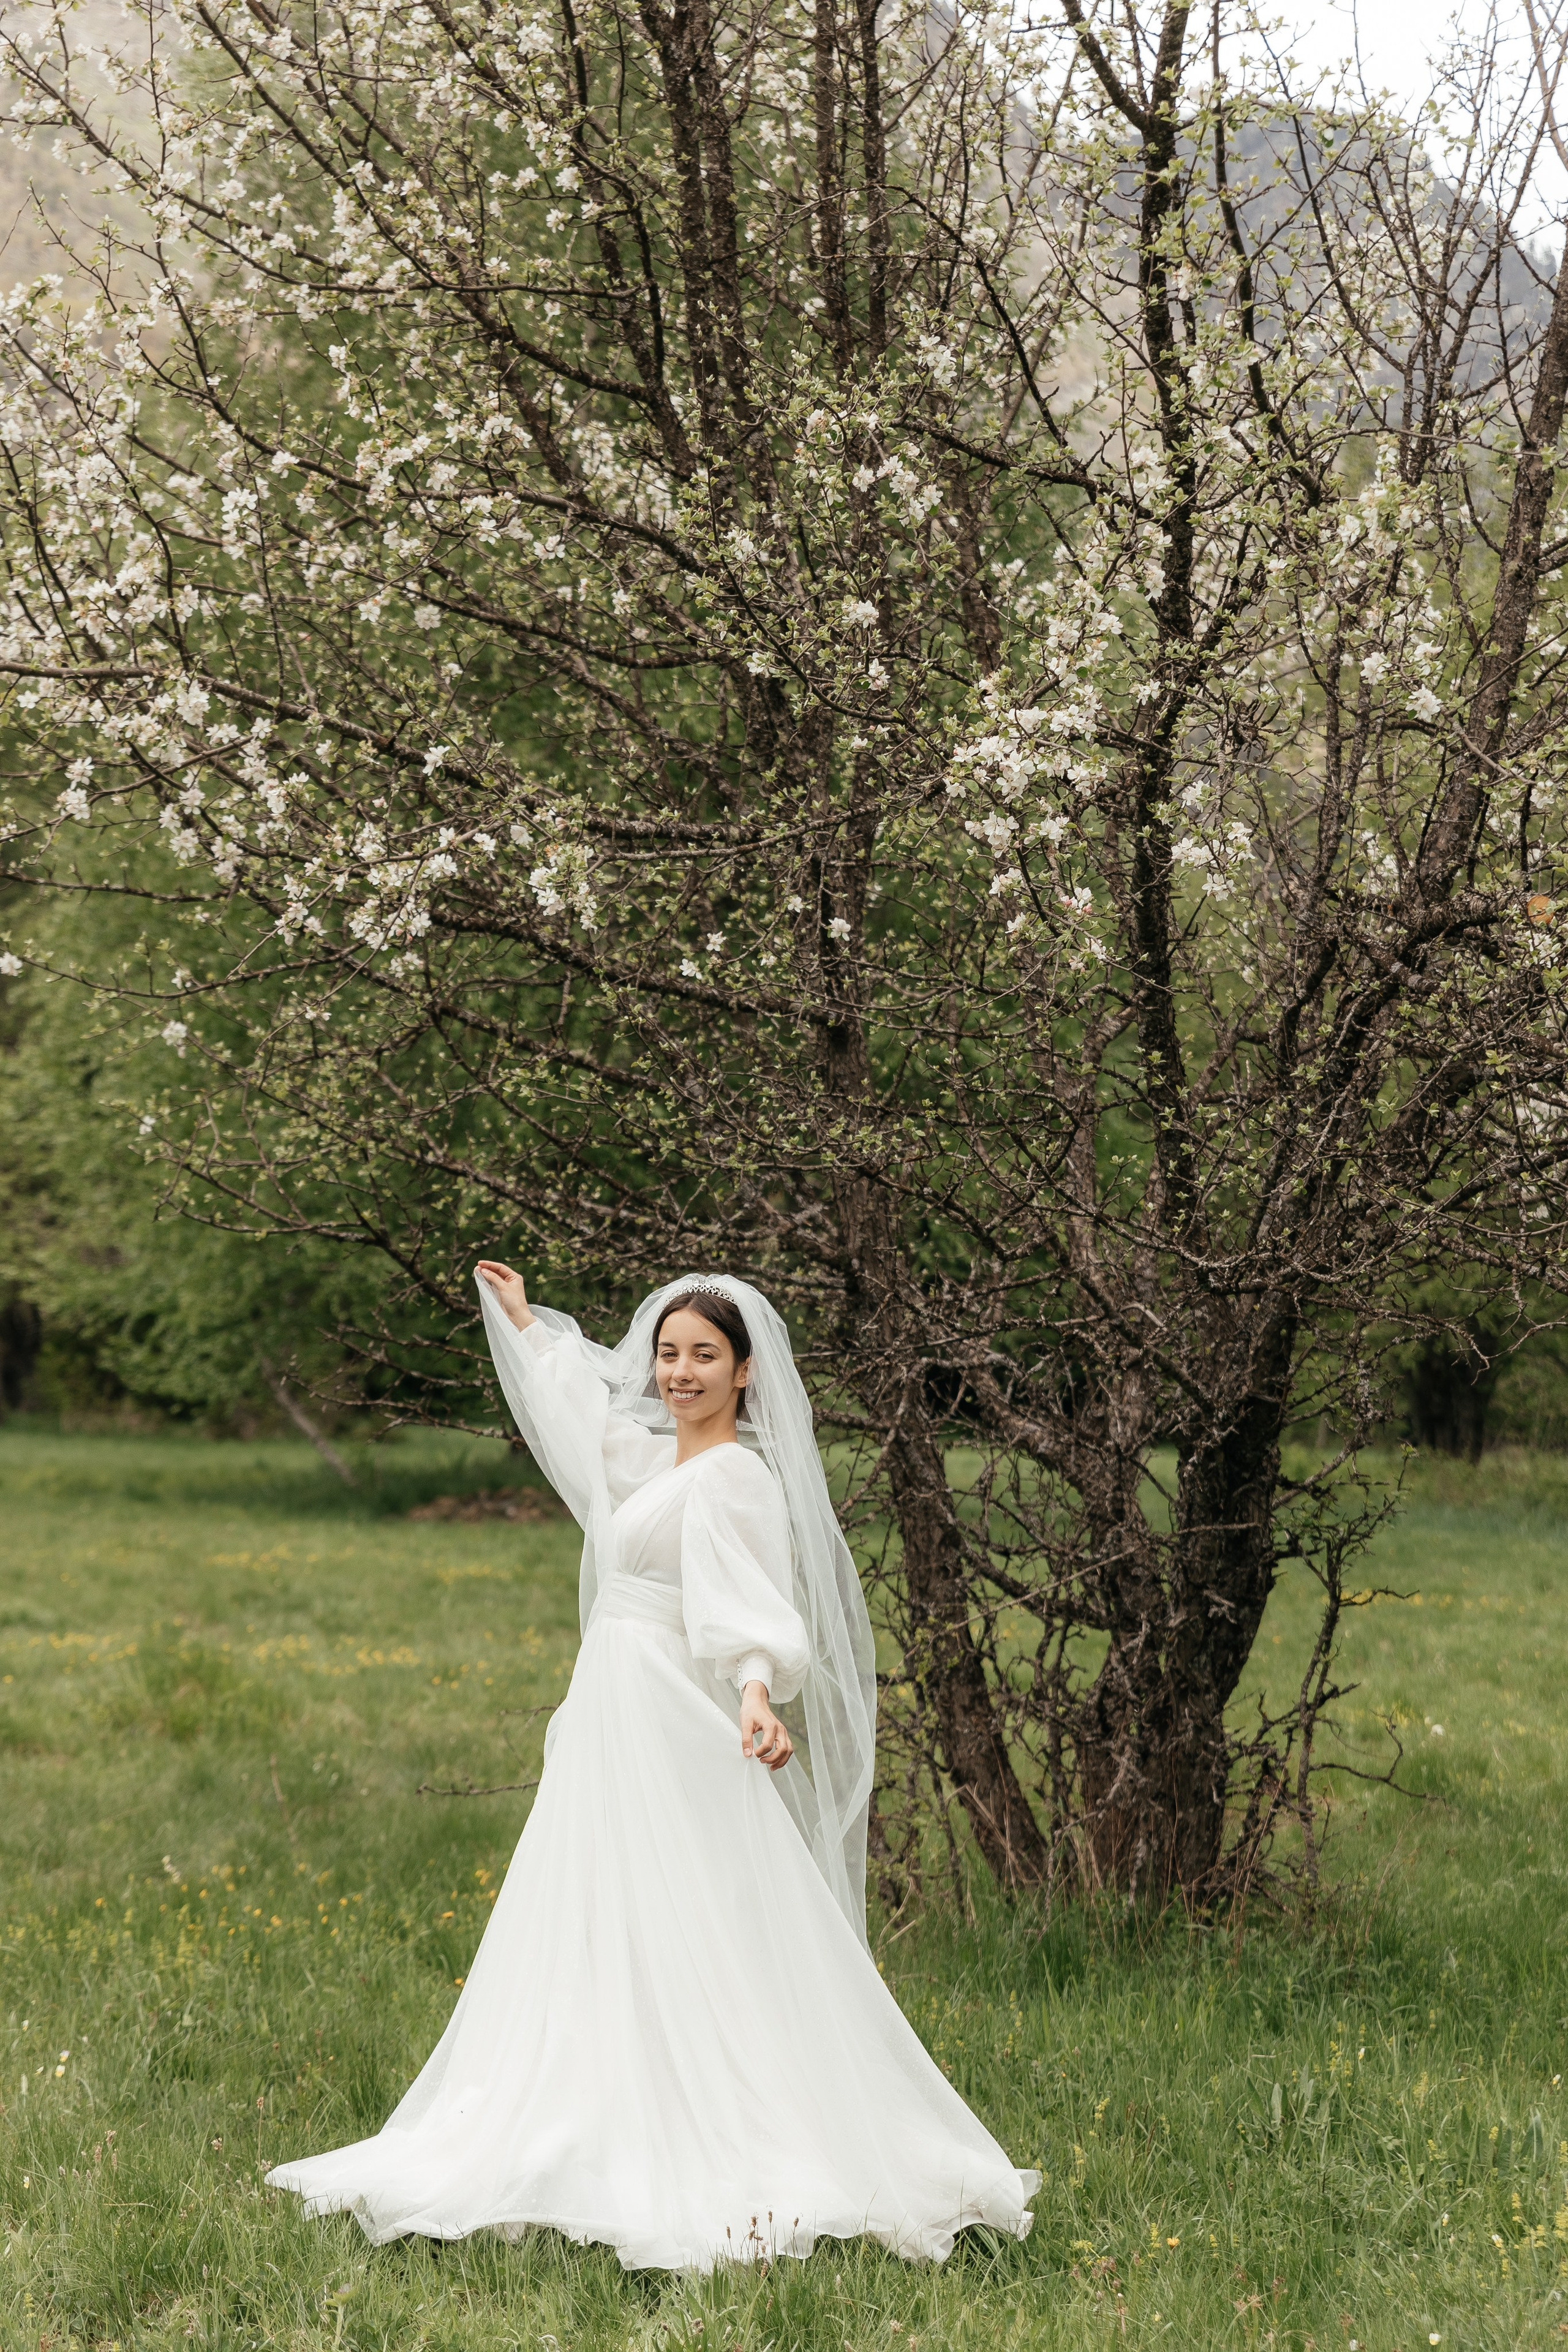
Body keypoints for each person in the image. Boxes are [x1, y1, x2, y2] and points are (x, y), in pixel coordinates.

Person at [266, 1266, 1038, 2271]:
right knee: (597, 1901)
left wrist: (757, 1693)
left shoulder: (735, 1478)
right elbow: (589, 1429)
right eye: (669, 1354)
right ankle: (582, 2110)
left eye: (704, 1356)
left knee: (697, 1909)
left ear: (746, 1371)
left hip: (674, 1709)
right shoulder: (655, 1466)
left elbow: (748, 1599)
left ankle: (721, 2124)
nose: (680, 1372)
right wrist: (531, 1331)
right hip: (611, 1709)